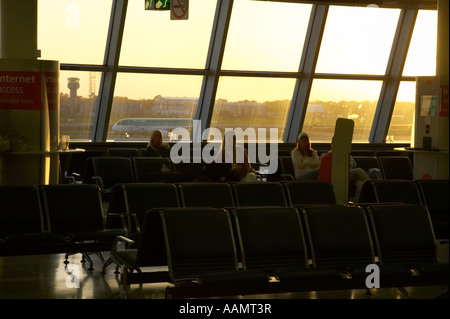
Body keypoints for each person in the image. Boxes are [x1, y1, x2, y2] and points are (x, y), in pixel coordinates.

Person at [321, 135, 370, 202]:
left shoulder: (345, 152)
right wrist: (347, 164)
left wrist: (348, 164)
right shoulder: (331, 154)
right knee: (359, 171)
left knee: (360, 185)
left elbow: (353, 163)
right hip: (341, 175)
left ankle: (357, 202)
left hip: (349, 173)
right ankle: (373, 184)